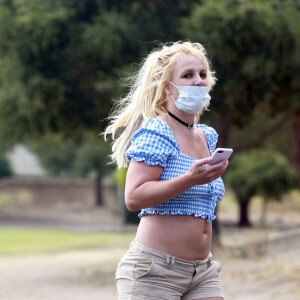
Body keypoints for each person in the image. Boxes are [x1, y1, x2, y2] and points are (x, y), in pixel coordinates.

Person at [104, 41, 228, 300]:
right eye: (188, 75)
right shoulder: (156, 131)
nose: (198, 81)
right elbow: (134, 197)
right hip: (154, 272)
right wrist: (189, 179)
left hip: (202, 272)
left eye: (203, 74)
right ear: (167, 88)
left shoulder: (207, 136)